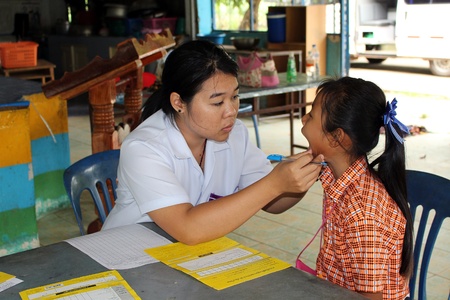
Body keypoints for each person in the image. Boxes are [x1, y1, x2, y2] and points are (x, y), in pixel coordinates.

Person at [102, 40, 324, 245]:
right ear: (178, 102)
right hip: (129, 256)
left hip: (184, 257)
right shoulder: (143, 148)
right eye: (217, 102)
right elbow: (188, 228)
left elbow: (273, 203)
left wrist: (299, 176)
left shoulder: (234, 134)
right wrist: (275, 183)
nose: (231, 111)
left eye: (235, 97)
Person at [300, 77, 413, 300]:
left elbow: (371, 297)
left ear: (336, 138)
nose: (304, 118)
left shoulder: (361, 215)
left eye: (311, 116)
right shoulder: (336, 176)